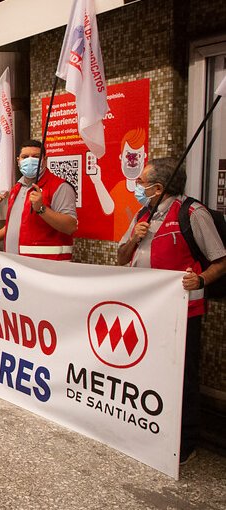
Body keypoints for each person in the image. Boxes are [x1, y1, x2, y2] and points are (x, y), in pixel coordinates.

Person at [116, 158, 226, 464]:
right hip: (145, 312)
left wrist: (201, 279)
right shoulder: (142, 214)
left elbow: (221, 260)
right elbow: (120, 258)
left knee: (183, 377)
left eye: (141, 182)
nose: (137, 187)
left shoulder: (193, 213)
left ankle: (185, 441)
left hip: (183, 315)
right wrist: (133, 240)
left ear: (159, 188)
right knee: (148, 372)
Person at [0, 140, 77, 260]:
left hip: (47, 266)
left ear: (45, 160)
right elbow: (15, 224)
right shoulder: (17, 188)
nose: (30, 160)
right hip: (17, 265)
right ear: (18, 161)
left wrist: (42, 209)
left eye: (36, 157)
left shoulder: (60, 187)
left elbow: (70, 226)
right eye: (25, 157)